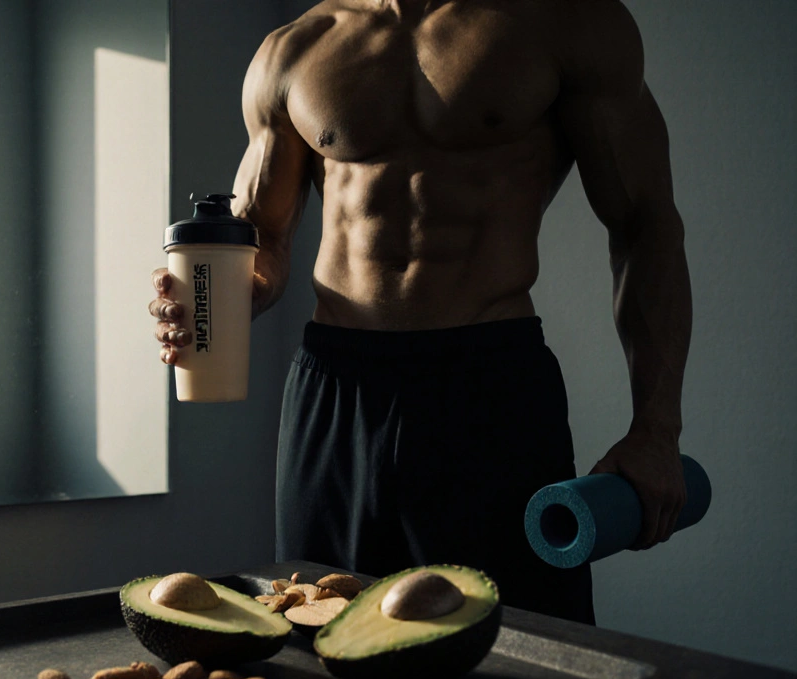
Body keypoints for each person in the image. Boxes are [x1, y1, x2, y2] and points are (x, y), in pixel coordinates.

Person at [150, 0, 691, 624]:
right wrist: (224, 297)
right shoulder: (296, 48)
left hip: (488, 383)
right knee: (316, 623)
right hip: (336, 385)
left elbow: (646, 226)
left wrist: (657, 431)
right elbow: (263, 241)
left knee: (519, 639)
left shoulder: (565, 22)